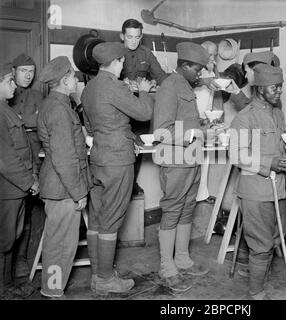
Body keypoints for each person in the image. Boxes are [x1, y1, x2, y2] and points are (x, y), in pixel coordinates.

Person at [81, 42, 153, 295]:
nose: (123, 65)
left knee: (97, 218)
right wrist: (143, 91)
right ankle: (106, 280)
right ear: (115, 62)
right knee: (111, 220)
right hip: (118, 160)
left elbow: (89, 128)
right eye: (122, 62)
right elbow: (144, 113)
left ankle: (97, 274)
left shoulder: (88, 88)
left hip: (98, 157)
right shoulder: (115, 86)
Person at [153, 42, 213, 292]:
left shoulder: (185, 85)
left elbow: (186, 121)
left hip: (191, 158)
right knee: (173, 209)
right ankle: (167, 266)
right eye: (197, 68)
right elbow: (162, 130)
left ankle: (182, 258)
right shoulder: (169, 86)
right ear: (184, 65)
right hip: (175, 160)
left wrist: (203, 128)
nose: (199, 73)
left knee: (187, 207)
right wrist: (192, 134)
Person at [229, 64, 286, 300]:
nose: (279, 92)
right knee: (261, 244)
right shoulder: (244, 118)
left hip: (279, 189)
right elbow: (236, 155)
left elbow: (281, 143)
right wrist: (269, 163)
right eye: (275, 87)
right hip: (255, 191)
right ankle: (256, 293)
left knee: (276, 238)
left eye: (281, 87)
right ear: (260, 88)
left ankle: (261, 282)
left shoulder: (277, 113)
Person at [36, 56, 91, 298]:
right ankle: (52, 291)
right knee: (60, 246)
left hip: (59, 185)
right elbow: (65, 157)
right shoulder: (59, 109)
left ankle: (53, 289)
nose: (76, 79)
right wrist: (78, 192)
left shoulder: (54, 104)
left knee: (59, 243)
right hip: (63, 188)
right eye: (73, 75)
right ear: (64, 79)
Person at [0, 62, 39, 299]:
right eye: (9, 81)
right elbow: (6, 159)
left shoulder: (6, 109)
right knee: (5, 238)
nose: (14, 85)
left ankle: (9, 284)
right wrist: (30, 181)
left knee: (11, 236)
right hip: (8, 188)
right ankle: (4, 289)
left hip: (15, 188)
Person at [119, 18, 168, 196]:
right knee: (123, 148)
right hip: (119, 109)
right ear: (122, 36)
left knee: (139, 147)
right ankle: (124, 185)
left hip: (140, 108)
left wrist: (156, 82)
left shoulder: (146, 54)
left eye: (137, 37)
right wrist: (122, 84)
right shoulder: (115, 53)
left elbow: (161, 76)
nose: (133, 41)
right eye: (129, 37)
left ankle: (132, 184)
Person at [9, 53, 43, 279]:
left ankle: (31, 260)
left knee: (37, 213)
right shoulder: (6, 96)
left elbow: (42, 122)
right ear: (13, 72)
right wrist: (28, 121)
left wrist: (24, 120)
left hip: (37, 160)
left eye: (31, 71)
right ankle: (9, 268)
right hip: (13, 164)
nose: (28, 75)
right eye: (23, 71)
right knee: (13, 218)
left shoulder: (38, 95)